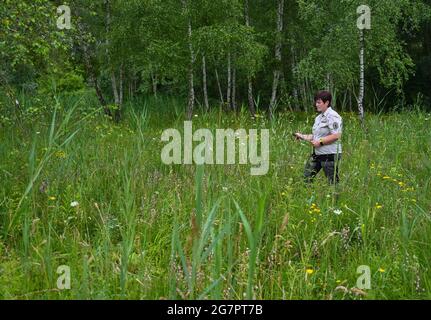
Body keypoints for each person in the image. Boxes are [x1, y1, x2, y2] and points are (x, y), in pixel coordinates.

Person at [295, 91, 342, 184]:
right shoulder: (318, 118)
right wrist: (302, 136)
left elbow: (336, 135)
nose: (316, 104)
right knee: (306, 178)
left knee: (332, 183)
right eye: (316, 102)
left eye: (319, 102)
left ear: (327, 103)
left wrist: (320, 142)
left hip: (329, 154)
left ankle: (335, 198)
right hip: (317, 154)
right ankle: (308, 197)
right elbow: (316, 136)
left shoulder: (333, 116)